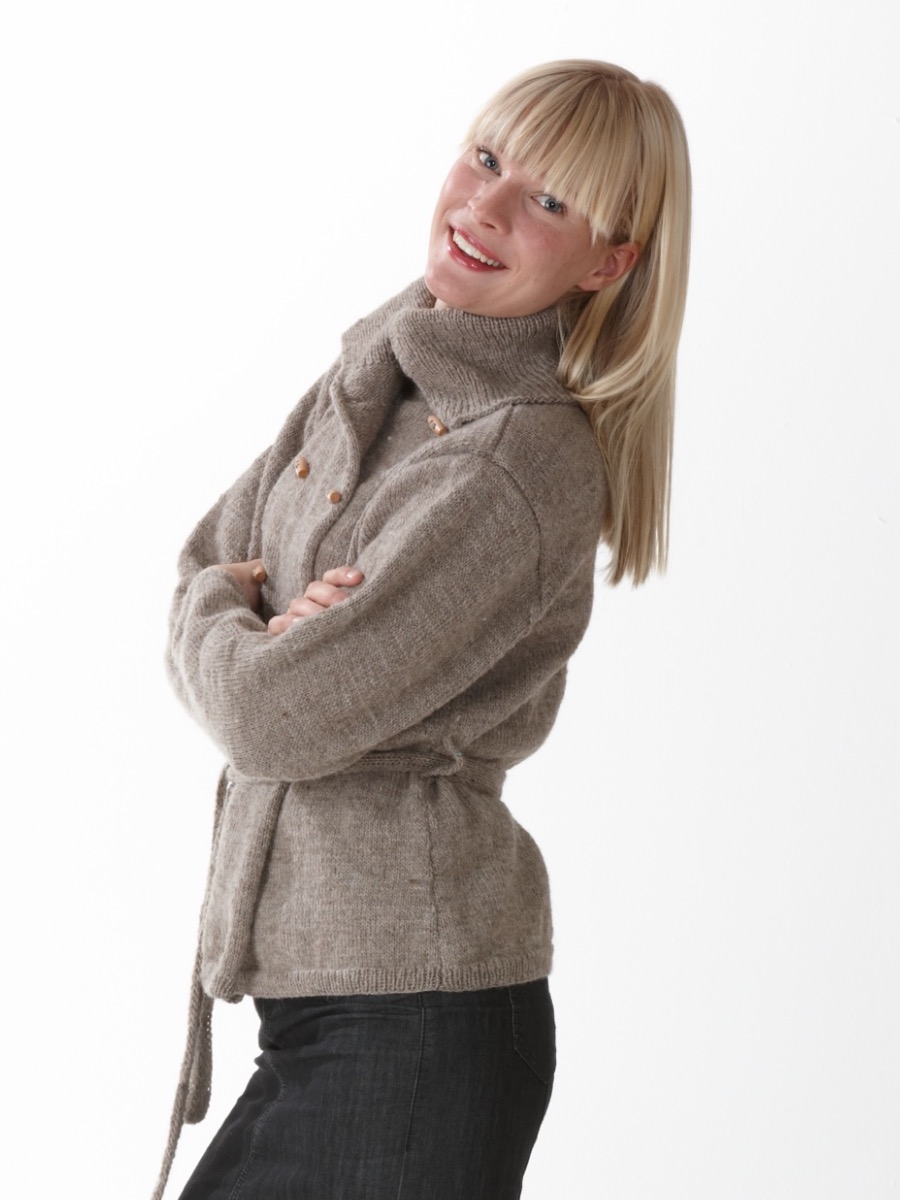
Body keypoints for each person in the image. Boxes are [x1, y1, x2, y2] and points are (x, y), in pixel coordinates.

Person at [153, 58, 691, 1200]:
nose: (486, 206)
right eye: (486, 159)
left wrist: (251, 632)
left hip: (414, 1022)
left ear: (609, 261)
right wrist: (239, 613)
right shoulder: (379, 365)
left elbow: (268, 715)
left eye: (549, 199)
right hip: (328, 1017)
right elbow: (205, 559)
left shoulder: (513, 461)